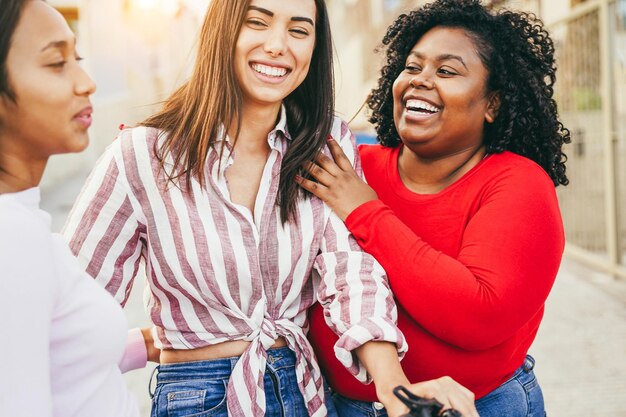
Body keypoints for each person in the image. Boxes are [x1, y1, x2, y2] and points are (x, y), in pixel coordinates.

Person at [62, 1, 479, 417]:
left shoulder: (325, 142)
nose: (278, 45)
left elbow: (350, 271)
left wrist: (394, 387)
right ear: (222, 31)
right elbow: (72, 310)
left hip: (303, 388)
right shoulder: (142, 153)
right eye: (257, 23)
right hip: (198, 399)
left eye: (299, 31)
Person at [297, 1, 570, 416]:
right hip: (337, 405)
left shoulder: (517, 183)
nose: (420, 80)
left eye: (446, 71)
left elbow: (479, 314)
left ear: (493, 103)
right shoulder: (352, 168)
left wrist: (365, 211)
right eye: (412, 67)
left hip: (476, 406)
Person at [0, 1, 155, 416]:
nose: (86, 83)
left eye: (78, 58)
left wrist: (147, 343)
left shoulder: (23, 223)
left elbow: (48, 366)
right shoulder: (11, 238)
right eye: (56, 63)